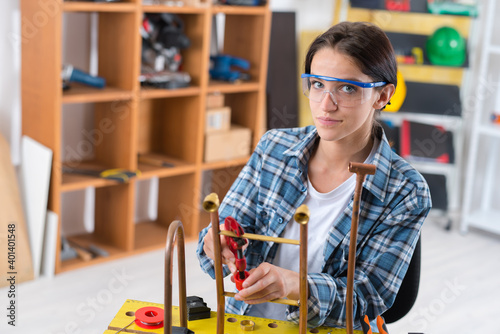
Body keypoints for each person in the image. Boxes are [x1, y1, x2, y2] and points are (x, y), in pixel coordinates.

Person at [196, 21, 431, 329]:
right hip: (248, 323)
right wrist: (217, 244)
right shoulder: (274, 147)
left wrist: (295, 285)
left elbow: (367, 299)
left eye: (347, 88)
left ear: (383, 95)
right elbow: (224, 229)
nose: (325, 105)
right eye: (317, 84)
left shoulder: (406, 190)